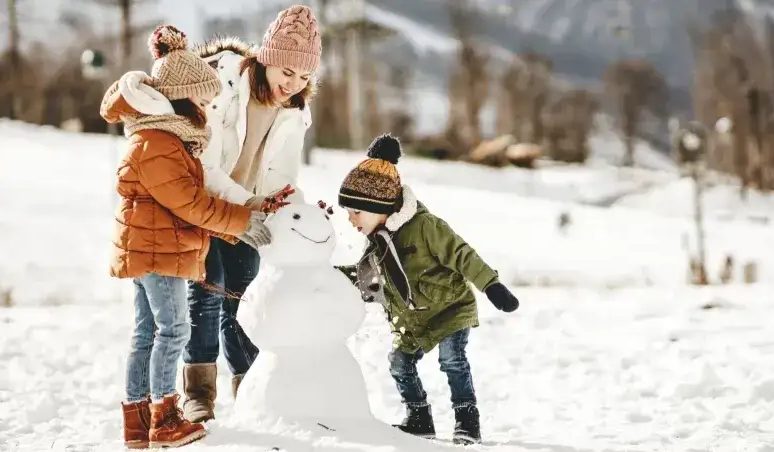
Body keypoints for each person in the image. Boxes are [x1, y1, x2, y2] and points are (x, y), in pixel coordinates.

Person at [100, 24, 273, 449]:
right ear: (180, 96)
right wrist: (240, 221)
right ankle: (164, 417)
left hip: (153, 248)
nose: (206, 107)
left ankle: (137, 424)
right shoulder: (158, 142)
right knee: (173, 331)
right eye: (201, 98)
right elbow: (190, 202)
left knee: (146, 333)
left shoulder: (164, 138)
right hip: (158, 252)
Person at [179, 4, 322, 423]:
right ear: (267, 60)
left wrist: (302, 218)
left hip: (249, 214)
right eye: (287, 72)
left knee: (244, 298)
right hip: (205, 204)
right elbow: (205, 164)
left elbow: (283, 177)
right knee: (208, 291)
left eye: (303, 77)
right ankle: (199, 393)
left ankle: (252, 387)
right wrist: (245, 205)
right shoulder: (222, 86)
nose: (292, 84)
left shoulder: (295, 111)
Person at [335, 134, 521, 445]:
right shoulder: (377, 241)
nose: (351, 218)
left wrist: (492, 285)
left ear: (378, 205)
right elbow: (365, 278)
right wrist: (325, 279)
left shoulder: (424, 227)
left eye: (356, 211)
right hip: (413, 320)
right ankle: (420, 418)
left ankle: (467, 421)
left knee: (452, 360)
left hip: (450, 309)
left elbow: (462, 254)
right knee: (399, 363)